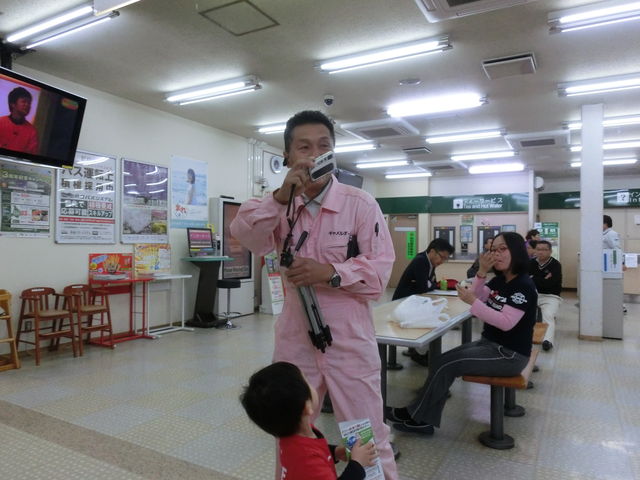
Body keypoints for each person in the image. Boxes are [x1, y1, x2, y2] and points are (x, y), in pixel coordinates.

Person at [230, 110, 398, 479]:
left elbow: (379, 275)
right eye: (304, 147)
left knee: (365, 435)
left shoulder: (359, 204)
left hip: (349, 338)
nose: (314, 154)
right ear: (287, 157)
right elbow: (247, 236)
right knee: (290, 431)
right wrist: (280, 198)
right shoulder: (278, 205)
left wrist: (331, 273)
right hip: (296, 339)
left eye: (323, 146)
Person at [387, 232, 537, 435]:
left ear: (517, 251)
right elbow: (477, 295)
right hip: (491, 344)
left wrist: (472, 301)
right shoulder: (501, 280)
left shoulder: (523, 285)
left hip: (509, 355)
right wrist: (481, 272)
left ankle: (420, 419)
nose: (496, 254)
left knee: (446, 365)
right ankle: (417, 413)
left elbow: (506, 323)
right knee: (440, 361)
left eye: (503, 249)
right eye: (493, 250)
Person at [240, 362, 377, 480]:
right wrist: (357, 464)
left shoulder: (291, 438)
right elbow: (312, 459)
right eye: (307, 382)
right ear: (307, 407)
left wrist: (335, 452)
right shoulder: (307, 460)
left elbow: (315, 449)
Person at [393, 237, 453, 366]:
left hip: (412, 300)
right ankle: (417, 353)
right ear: (432, 251)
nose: (442, 261)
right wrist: (431, 284)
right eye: (442, 257)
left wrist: (431, 284)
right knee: (427, 320)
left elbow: (430, 283)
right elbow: (424, 287)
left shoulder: (430, 262)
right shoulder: (421, 261)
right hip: (402, 303)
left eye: (445, 259)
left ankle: (416, 350)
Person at [530, 240, 562, 351]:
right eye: (538, 249)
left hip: (551, 296)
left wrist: (533, 278)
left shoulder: (555, 265)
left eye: (544, 249)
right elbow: (525, 279)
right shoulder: (531, 263)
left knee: (548, 315)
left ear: (550, 251)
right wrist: (542, 279)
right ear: (535, 250)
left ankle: (547, 341)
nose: (541, 252)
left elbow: (550, 284)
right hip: (532, 294)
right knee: (520, 311)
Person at [0, 87, 39, 155]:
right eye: (24, 101)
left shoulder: (32, 131)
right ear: (13, 104)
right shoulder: (1, 122)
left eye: (29, 103)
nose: (27, 105)